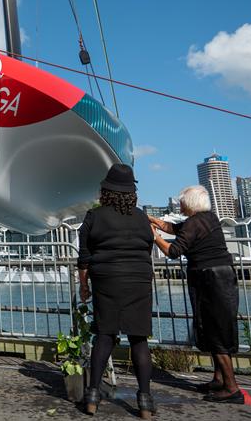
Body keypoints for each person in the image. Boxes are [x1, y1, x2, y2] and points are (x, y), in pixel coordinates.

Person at [149, 185, 243, 404]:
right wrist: (153, 220)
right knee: (214, 329)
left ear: (189, 203)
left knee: (215, 330)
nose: (179, 204)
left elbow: (173, 252)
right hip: (220, 278)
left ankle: (232, 388)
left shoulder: (194, 222)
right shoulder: (207, 218)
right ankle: (218, 379)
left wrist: (153, 236)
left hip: (212, 281)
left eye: (181, 201)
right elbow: (174, 228)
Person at [77, 164, 156, 418]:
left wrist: (84, 286)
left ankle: (91, 397)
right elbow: (147, 246)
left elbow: (84, 258)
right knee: (139, 339)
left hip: (107, 279)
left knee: (105, 336)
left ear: (105, 191)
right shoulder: (142, 216)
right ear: (132, 192)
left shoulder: (94, 216)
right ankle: (144, 401)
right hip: (139, 279)